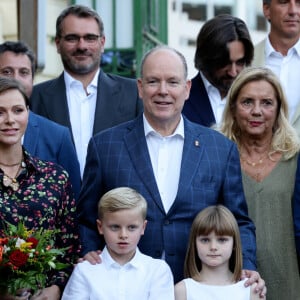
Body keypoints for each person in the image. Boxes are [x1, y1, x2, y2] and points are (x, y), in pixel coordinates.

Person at [77, 45, 266, 297]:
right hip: (127, 286)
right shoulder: (105, 146)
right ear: (140, 87)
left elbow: (239, 220)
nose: (163, 91)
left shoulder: (220, 149)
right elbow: (86, 218)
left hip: (199, 285)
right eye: (153, 81)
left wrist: (248, 268)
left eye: (173, 82)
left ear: (187, 89)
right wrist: (88, 252)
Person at [30, 5, 143, 176]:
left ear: (102, 43)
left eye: (90, 38)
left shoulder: (133, 93)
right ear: (58, 44)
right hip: (54, 201)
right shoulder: (35, 97)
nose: (82, 46)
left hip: (115, 201)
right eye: (72, 38)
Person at [219, 66, 300, 300]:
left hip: (290, 282)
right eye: (247, 102)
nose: (256, 111)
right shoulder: (217, 156)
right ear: (233, 108)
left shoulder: (295, 158)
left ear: (279, 109)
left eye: (266, 103)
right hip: (233, 285)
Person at [0, 77, 80, 299]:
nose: (10, 120)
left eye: (18, 110)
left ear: (28, 113)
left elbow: (70, 244)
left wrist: (56, 289)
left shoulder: (54, 177)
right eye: (0, 112)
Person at [0, 41, 81, 200]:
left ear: (33, 78)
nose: (16, 79)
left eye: (24, 72)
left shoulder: (58, 137)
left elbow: (74, 201)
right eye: (7, 72)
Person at [62, 187, 174, 299]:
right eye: (115, 227)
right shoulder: (84, 271)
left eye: (132, 227)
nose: (123, 235)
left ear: (143, 227)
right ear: (100, 227)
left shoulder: (157, 271)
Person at [175, 205, 260, 300]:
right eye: (205, 240)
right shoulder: (182, 290)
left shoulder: (251, 290)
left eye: (222, 240)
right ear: (194, 244)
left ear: (235, 243)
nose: (213, 247)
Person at [182, 14, 254, 127]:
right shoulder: (180, 100)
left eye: (240, 62)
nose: (233, 72)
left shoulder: (254, 101)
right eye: (225, 63)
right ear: (206, 58)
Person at [253, 0, 300, 134]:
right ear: (267, 9)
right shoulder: (245, 61)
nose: (293, 11)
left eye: (299, 3)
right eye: (284, 2)